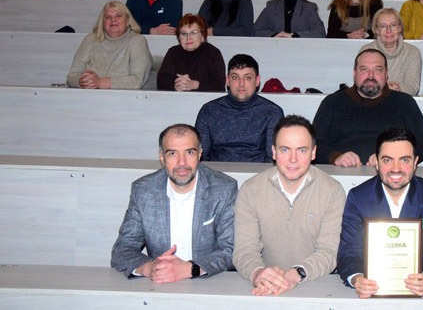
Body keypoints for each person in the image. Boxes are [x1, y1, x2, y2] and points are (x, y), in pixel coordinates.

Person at [233, 115, 346, 296]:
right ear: (274, 152)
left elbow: (329, 251)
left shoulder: (332, 191)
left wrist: (295, 274)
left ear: (313, 153)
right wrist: (258, 273)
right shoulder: (250, 190)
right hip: (264, 287)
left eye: (302, 150)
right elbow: (244, 250)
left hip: (316, 284)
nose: (293, 159)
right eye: (285, 150)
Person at [111, 124, 237, 281]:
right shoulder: (143, 191)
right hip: (160, 283)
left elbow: (231, 250)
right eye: (172, 153)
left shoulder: (224, 188)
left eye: (189, 152)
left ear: (200, 154)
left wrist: (192, 269)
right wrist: (149, 268)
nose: (182, 163)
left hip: (207, 282)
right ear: (162, 157)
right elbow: (123, 249)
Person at [337, 129, 423, 298]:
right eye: (387, 160)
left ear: (415, 162)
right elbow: (349, 251)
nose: (396, 169)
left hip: (418, 292)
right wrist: (357, 279)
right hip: (371, 291)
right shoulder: (358, 198)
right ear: (376, 162)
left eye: (404, 160)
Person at [313, 50, 423, 166]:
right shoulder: (332, 102)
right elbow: (314, 144)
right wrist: (335, 157)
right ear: (354, 74)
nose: (371, 75)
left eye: (378, 70)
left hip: (392, 171)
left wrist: (390, 157)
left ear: (386, 74)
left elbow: (421, 147)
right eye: (364, 69)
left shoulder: (405, 103)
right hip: (338, 172)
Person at [195, 54, 285, 162]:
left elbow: (272, 159)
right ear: (228, 80)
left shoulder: (272, 112)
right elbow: (201, 157)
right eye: (235, 77)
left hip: (258, 171)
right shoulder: (209, 111)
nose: (241, 83)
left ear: (257, 81)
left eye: (248, 77)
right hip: (216, 171)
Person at [66, 1, 152, 89]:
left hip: (123, 96)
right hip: (88, 94)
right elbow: (71, 76)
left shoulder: (137, 41)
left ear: (128, 21)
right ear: (103, 22)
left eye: (118, 16)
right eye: (108, 17)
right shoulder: (90, 40)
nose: (113, 20)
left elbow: (137, 81)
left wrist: (100, 82)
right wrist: (81, 81)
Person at [360, 8, 422, 95]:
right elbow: (362, 82)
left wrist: (399, 88)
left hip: (401, 99)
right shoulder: (366, 51)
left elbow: (413, 87)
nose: (388, 30)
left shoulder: (412, 52)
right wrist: (384, 88)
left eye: (393, 25)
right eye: (383, 26)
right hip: (372, 99)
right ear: (376, 30)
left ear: (400, 28)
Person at [157, 14, 226, 92]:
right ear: (178, 38)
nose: (188, 37)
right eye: (183, 34)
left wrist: (196, 85)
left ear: (202, 36)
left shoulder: (213, 53)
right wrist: (176, 85)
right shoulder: (173, 52)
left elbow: (219, 85)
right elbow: (161, 81)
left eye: (193, 32)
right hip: (176, 98)